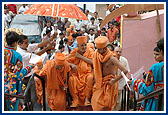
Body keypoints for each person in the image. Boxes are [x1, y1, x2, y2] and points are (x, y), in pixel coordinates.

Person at [91, 36, 128, 111]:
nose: (97, 51)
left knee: (106, 106)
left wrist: (114, 80)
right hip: (100, 83)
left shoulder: (112, 58)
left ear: (104, 48)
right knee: (96, 102)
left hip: (110, 83)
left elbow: (125, 71)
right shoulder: (97, 55)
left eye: (99, 49)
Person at [128, 38, 164, 111]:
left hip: (158, 105)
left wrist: (134, 83)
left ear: (161, 51)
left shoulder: (156, 68)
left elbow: (148, 89)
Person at [4, 31, 35, 111]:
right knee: (12, 108)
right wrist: (29, 67)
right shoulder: (17, 56)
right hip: (11, 88)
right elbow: (19, 75)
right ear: (16, 43)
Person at [66, 36, 94, 107]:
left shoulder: (90, 51)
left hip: (87, 73)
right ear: (78, 46)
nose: (84, 47)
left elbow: (93, 62)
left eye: (85, 45)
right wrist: (72, 65)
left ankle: (87, 99)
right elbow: (65, 61)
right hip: (77, 74)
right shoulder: (75, 51)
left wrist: (81, 57)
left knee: (90, 78)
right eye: (82, 45)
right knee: (71, 79)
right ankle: (75, 100)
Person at [113, 46, 130, 110]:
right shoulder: (111, 59)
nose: (118, 53)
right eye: (116, 51)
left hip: (121, 84)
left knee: (119, 102)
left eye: (119, 52)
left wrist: (126, 82)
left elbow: (127, 71)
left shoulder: (124, 60)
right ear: (114, 52)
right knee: (112, 101)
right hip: (113, 83)